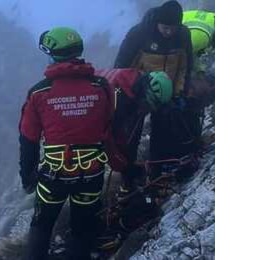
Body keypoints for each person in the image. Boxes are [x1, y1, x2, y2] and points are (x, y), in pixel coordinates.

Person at [19, 27, 175, 260]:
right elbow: (110, 136)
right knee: (83, 231)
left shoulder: (38, 93)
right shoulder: (102, 87)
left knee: (42, 226)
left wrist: (28, 177)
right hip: (91, 175)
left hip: (54, 176)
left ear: (53, 55)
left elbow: (28, 138)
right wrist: (125, 167)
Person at [113, 0, 200, 194]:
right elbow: (121, 67)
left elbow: (185, 66)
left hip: (166, 93)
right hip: (137, 94)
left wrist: (179, 93)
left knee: (163, 132)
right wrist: (133, 91)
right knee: (131, 136)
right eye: (165, 28)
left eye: (173, 28)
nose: (169, 32)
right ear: (157, 23)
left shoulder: (183, 35)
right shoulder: (139, 34)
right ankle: (127, 179)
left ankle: (155, 171)